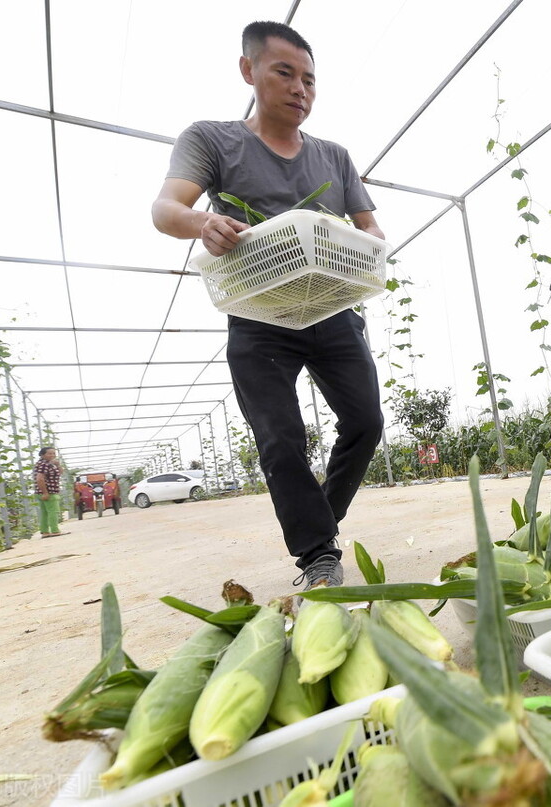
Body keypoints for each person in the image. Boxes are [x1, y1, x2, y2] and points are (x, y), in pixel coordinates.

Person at [151, 20, 384, 589]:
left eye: (309, 79)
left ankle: (320, 522)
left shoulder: (334, 157)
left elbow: (371, 231)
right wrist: (203, 221)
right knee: (280, 436)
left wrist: (358, 248)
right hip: (257, 312)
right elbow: (165, 208)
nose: (300, 88)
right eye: (284, 72)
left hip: (329, 304)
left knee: (365, 421)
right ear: (248, 71)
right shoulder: (213, 140)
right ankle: (318, 557)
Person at [34, 447, 68, 537]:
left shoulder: (46, 463)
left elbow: (60, 473)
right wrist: (45, 493)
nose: (52, 455)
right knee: (53, 511)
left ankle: (45, 531)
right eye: (50, 453)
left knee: (45, 512)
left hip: (41, 492)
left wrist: (58, 465)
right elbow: (40, 479)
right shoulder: (44, 464)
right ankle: (55, 530)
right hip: (49, 491)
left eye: (53, 453)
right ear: (42, 455)